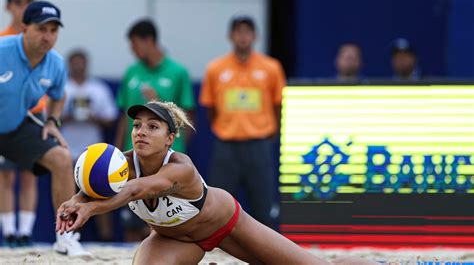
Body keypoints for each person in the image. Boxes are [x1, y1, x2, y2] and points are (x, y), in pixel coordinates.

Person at [55, 101, 332, 264]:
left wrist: (90, 209)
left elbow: (135, 190)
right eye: (137, 125)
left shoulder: (180, 168)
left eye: (153, 127)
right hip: (172, 237)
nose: (141, 132)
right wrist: (75, 201)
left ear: (169, 138)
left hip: (226, 225)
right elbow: (96, 188)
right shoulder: (121, 164)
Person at [0, 1, 89, 255]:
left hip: (18, 126)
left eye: (53, 30)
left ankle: (65, 237)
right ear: (24, 27)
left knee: (62, 158)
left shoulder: (56, 63)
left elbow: (59, 95)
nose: (48, 37)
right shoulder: (2, 50)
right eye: (41, 29)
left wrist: (53, 121)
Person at [199, 15, 284, 228]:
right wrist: (225, 127)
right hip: (226, 146)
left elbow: (278, 104)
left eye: (247, 32)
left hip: (259, 144)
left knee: (262, 205)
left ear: (255, 36)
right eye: (238, 31)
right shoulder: (215, 68)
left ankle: (264, 253)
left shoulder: (271, 67)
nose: (243, 36)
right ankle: (216, 252)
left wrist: (270, 132)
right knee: (218, 205)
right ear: (230, 36)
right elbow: (210, 107)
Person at [115, 18, 195, 241]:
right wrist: (117, 149)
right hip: (133, 158)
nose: (132, 50)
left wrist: (157, 101)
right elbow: (124, 117)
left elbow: (187, 116)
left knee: (161, 224)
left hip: (165, 161)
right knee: (130, 223)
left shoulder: (178, 72)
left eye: (134, 44)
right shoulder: (131, 72)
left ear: (149, 41)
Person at [0, 0, 48, 248]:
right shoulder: (2, 39)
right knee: (5, 175)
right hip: (6, 115)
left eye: (27, 2)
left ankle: (25, 233)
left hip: (35, 113)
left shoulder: (41, 38)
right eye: (18, 3)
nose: (22, 8)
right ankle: (9, 233)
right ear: (9, 7)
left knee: (30, 174)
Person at [61, 49, 118, 241]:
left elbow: (111, 119)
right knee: (68, 196)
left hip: (93, 153)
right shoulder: (62, 87)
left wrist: (93, 117)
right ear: (69, 64)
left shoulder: (98, 89)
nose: (78, 66)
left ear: (87, 64)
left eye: (81, 62)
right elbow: (48, 118)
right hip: (67, 150)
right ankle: (68, 235)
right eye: (75, 62)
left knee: (100, 196)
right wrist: (67, 117)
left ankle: (106, 236)